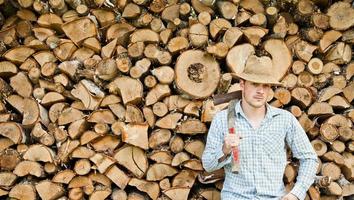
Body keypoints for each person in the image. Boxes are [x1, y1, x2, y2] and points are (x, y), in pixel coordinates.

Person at [201, 62, 318, 200]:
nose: (261, 91)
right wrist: (225, 150)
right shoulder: (222, 119)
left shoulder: (285, 120)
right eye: (255, 84)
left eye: (265, 86)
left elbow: (309, 159)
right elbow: (208, 165)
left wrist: (296, 194)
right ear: (242, 84)